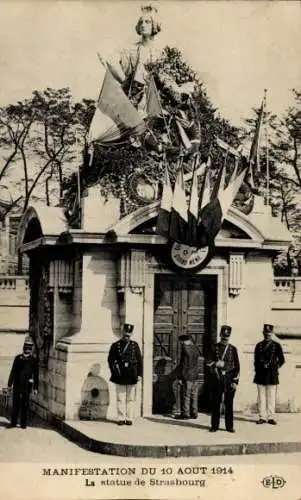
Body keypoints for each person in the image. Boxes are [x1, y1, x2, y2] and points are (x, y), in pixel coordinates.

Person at [206, 325, 240, 433]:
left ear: (229, 336)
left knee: (229, 404)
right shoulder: (213, 347)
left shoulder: (233, 349)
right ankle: (214, 426)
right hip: (217, 379)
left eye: (227, 336)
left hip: (229, 380)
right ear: (220, 335)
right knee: (215, 403)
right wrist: (215, 364)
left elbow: (237, 367)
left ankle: (229, 426)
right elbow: (207, 363)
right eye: (223, 336)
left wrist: (235, 381)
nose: (225, 338)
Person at [108, 323, 143, 425]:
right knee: (120, 398)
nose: (126, 336)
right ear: (122, 333)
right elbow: (110, 360)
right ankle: (121, 418)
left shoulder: (135, 345)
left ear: (131, 334)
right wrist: (115, 372)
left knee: (130, 398)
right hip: (120, 375)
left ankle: (129, 418)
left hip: (132, 374)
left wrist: (140, 374)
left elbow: (140, 361)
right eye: (125, 334)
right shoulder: (115, 345)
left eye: (128, 335)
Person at [254, 323, 285, 425]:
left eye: (269, 332)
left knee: (271, 396)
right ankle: (262, 417)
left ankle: (271, 417)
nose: (267, 334)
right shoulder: (258, 346)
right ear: (263, 333)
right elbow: (256, 361)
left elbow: (282, 360)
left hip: (272, 374)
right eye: (266, 332)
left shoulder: (277, 346)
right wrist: (260, 367)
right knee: (261, 397)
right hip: (261, 374)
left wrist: (274, 367)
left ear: (272, 333)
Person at [7, 335, 38, 429]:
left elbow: (36, 375)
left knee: (25, 404)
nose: (27, 350)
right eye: (26, 347)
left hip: (26, 386)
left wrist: (35, 387)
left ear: (31, 349)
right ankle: (13, 422)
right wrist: (9, 384)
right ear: (23, 348)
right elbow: (13, 371)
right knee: (15, 404)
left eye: (29, 348)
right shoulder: (17, 358)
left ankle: (23, 424)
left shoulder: (33, 360)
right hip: (17, 384)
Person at [175, 334, 200, 420]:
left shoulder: (185, 349)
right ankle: (194, 413)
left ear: (183, 341)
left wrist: (181, 377)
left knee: (186, 394)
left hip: (187, 375)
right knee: (194, 395)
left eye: (181, 342)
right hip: (196, 375)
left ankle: (185, 414)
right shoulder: (195, 348)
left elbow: (184, 364)